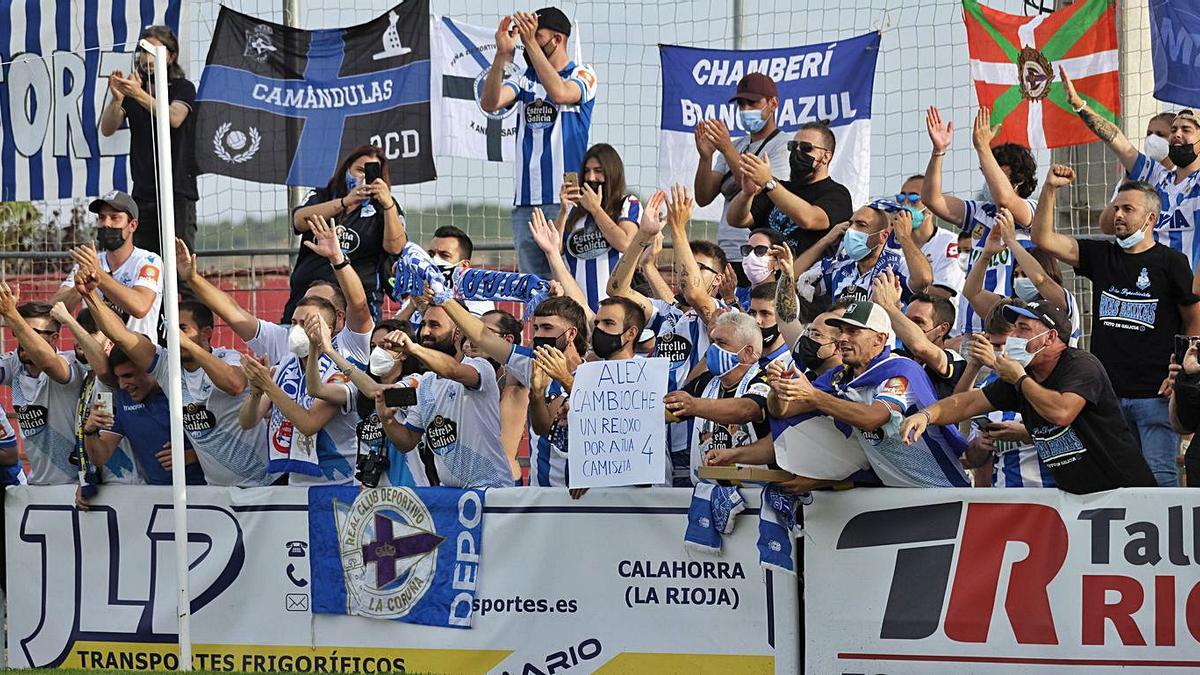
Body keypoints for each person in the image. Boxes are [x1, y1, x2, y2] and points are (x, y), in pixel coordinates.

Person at [1032, 167, 1200, 487]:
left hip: (1155, 395)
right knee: (1114, 479)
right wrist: (1051, 188)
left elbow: (1194, 317)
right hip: (1106, 395)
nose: (1118, 215)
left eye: (1128, 209)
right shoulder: (1101, 254)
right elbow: (1043, 239)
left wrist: (1181, 369)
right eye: (1116, 208)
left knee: (1159, 479)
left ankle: (1164, 538)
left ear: (1150, 218)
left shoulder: (1171, 262)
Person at [901, 301, 1157, 494]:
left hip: (1124, 492)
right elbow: (967, 402)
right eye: (1014, 330)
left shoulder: (1080, 365)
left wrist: (1020, 380)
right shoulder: (1023, 375)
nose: (1013, 338)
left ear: (1050, 337)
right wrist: (927, 415)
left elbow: (1061, 412)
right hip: (1076, 498)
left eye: (1023, 329)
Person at [85, 285, 273, 487]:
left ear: (206, 333)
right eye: (170, 329)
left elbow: (234, 385)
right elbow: (121, 335)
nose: (173, 335)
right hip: (217, 491)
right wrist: (89, 294)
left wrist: (189, 345)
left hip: (266, 484)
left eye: (182, 328)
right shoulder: (166, 366)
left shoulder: (228, 357)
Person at [769, 301, 969, 487]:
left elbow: (873, 418)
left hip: (942, 490)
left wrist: (814, 396)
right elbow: (784, 411)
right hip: (894, 495)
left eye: (853, 331)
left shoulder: (900, 372)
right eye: (841, 331)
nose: (842, 338)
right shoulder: (840, 376)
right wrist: (777, 390)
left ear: (879, 339)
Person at [481, 7, 597, 278]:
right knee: (531, 285)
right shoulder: (525, 80)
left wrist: (530, 43)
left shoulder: (583, 74)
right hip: (526, 204)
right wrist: (502, 55)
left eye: (536, 34)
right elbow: (490, 103)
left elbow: (559, 92)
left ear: (557, 39)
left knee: (566, 280)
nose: (526, 40)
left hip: (565, 201)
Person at [177, 222, 372, 369]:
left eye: (317, 305)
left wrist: (338, 259)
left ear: (338, 316)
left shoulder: (351, 342)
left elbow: (359, 306)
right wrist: (193, 278)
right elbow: (233, 312)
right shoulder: (285, 338)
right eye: (304, 302)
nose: (306, 309)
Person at [440, 295, 589, 487]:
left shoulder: (597, 372)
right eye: (536, 328)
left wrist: (567, 380)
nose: (538, 335)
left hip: (588, 494)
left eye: (547, 328)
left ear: (571, 334)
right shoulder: (531, 364)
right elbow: (482, 336)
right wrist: (444, 298)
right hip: (543, 493)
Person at [1061, 69, 1200, 267]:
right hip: (1154, 284)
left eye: (1186, 130)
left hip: (1189, 289)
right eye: (1174, 129)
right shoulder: (1156, 176)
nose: (1177, 134)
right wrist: (1080, 106)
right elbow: (1116, 140)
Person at [922, 106, 1039, 336]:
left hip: (1009, 332)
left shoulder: (1031, 210)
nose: (988, 179)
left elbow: (1006, 199)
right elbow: (931, 199)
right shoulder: (979, 212)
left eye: (996, 173)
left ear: (1019, 180)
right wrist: (938, 152)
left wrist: (983, 147)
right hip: (970, 331)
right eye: (986, 172)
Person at [374, 304, 511, 489]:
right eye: (423, 325)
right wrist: (387, 420)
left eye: (434, 325)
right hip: (450, 495)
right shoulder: (426, 383)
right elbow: (407, 442)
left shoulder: (480, 367)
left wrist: (414, 349)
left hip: (491, 490)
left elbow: (452, 369)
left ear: (457, 333)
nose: (424, 332)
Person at [238, 297, 359, 485]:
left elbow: (308, 424)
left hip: (337, 484)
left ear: (329, 330)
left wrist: (268, 386)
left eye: (306, 323)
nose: (297, 329)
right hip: (295, 483)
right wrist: (256, 392)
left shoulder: (340, 371)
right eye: (294, 322)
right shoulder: (283, 368)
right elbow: (247, 422)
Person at [98, 26, 197, 255]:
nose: (147, 58)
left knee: (181, 270)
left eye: (154, 51)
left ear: (170, 56)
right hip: (143, 193)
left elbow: (174, 118)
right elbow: (107, 128)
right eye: (143, 51)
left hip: (177, 192)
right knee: (145, 265)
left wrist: (138, 94)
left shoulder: (182, 87)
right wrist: (117, 100)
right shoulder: (134, 93)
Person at [285, 145, 406, 323]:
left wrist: (388, 205)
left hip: (356, 303)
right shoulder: (324, 194)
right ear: (347, 169)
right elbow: (299, 220)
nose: (364, 176)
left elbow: (396, 247)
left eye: (371, 172)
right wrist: (345, 202)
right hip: (307, 297)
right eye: (359, 170)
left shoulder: (385, 206)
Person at [694, 73, 792, 283]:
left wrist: (727, 148)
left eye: (753, 103)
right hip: (725, 251)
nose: (746, 110)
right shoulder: (737, 144)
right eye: (741, 104)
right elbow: (703, 197)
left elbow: (761, 192)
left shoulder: (783, 145)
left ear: (773, 103)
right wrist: (706, 157)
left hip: (757, 254)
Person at [303, 318, 418, 488]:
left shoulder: (416, 382)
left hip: (408, 490)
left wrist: (331, 351)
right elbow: (315, 389)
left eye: (385, 346)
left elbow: (376, 392)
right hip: (367, 494)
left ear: (404, 353)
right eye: (373, 346)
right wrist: (314, 347)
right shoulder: (360, 390)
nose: (377, 352)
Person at [954, 301, 1054, 488]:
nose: (1000, 352)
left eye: (1006, 344)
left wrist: (1024, 433)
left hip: (1050, 498)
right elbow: (973, 459)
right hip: (1005, 500)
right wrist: (979, 446)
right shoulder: (986, 388)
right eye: (995, 345)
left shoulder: (1050, 379)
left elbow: (1074, 436)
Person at [0, 287, 94, 485]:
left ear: (54, 338)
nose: (25, 340)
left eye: (32, 334)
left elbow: (48, 363)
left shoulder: (70, 364)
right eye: (21, 332)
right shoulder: (13, 364)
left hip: (77, 486)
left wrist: (11, 314)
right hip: (37, 486)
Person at [664, 311, 770, 483]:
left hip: (755, 494)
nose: (713, 350)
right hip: (708, 493)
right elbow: (668, 410)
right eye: (713, 342)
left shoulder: (765, 378)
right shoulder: (706, 382)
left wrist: (694, 406)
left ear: (747, 352)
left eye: (721, 343)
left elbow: (747, 409)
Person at [82, 346, 206, 486]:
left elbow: (229, 444)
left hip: (206, 491)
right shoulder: (122, 398)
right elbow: (99, 457)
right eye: (118, 377)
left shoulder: (184, 392)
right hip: (155, 494)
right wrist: (90, 431)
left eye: (128, 375)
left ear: (150, 369)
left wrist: (192, 455)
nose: (122, 385)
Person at [725, 121, 853, 256]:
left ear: (826, 157)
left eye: (806, 148)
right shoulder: (778, 188)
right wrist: (747, 194)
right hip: (770, 274)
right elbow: (737, 220)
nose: (797, 153)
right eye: (793, 147)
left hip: (808, 275)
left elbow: (809, 219)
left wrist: (768, 182)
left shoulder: (838, 195)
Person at [52, 192, 163, 340]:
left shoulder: (148, 260)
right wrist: (79, 289)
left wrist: (99, 274)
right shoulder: (89, 261)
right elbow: (54, 311)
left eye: (115, 218)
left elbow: (140, 307)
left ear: (132, 225)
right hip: (97, 354)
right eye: (102, 218)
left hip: (137, 355)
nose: (106, 224)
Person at [964, 206, 1082, 345]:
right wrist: (986, 255)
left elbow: (1041, 280)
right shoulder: (1011, 307)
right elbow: (972, 293)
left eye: (1025, 274)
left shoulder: (1061, 303)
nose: (1020, 280)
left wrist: (1011, 242)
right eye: (1016, 275)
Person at [793, 201, 933, 305]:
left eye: (861, 225)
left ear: (883, 236)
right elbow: (792, 279)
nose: (851, 230)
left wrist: (904, 237)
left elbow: (923, 280)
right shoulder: (839, 266)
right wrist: (825, 240)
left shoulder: (896, 266)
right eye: (850, 224)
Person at [556, 143, 640, 311]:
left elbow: (625, 243)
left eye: (598, 171)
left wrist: (595, 209)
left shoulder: (627, 203)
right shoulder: (574, 210)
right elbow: (555, 251)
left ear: (612, 173)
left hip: (615, 307)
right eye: (587, 171)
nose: (591, 177)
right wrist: (563, 211)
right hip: (576, 308)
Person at [872, 272, 964, 399]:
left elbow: (919, 346)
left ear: (942, 329)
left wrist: (888, 307)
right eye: (906, 320)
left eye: (918, 321)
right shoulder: (897, 355)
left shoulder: (952, 360)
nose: (909, 326)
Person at [464, 310, 528, 483]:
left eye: (484, 333)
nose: (475, 338)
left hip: (505, 480)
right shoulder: (470, 374)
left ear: (507, 340)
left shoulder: (515, 378)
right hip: (471, 479)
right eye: (472, 333)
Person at [894, 174, 964, 299]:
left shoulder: (950, 243)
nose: (905, 203)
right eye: (901, 197)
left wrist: (909, 283)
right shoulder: (892, 243)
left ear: (930, 206)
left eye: (914, 198)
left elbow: (943, 294)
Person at [747, 281, 792, 368]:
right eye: (753, 313)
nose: (757, 320)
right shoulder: (743, 354)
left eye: (765, 313)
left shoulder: (793, 362)